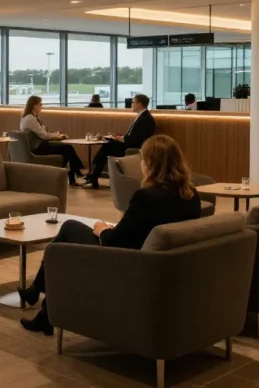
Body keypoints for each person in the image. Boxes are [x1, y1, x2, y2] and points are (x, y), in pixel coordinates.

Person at [18, 134, 201, 335]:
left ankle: (39, 297)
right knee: (63, 243)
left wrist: (102, 230)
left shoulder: (146, 198)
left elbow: (114, 242)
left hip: (125, 263)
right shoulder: (191, 195)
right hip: (158, 263)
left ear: (150, 164)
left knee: (66, 234)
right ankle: (40, 302)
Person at [87, 94, 156, 189]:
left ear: (139, 104)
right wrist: (119, 137)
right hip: (128, 144)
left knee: (106, 147)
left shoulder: (146, 119)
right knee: (107, 144)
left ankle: (93, 176)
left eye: (133, 102)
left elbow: (139, 139)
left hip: (133, 147)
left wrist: (121, 139)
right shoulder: (141, 117)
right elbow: (132, 136)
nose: (131, 104)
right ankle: (93, 176)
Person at [20, 95, 88, 186]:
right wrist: (57, 136)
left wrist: (56, 136)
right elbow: (44, 136)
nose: (41, 107)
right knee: (67, 148)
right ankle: (77, 171)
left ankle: (73, 176)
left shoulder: (28, 117)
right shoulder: (30, 119)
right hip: (39, 147)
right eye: (40, 104)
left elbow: (42, 134)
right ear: (34, 105)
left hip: (37, 145)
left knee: (66, 150)